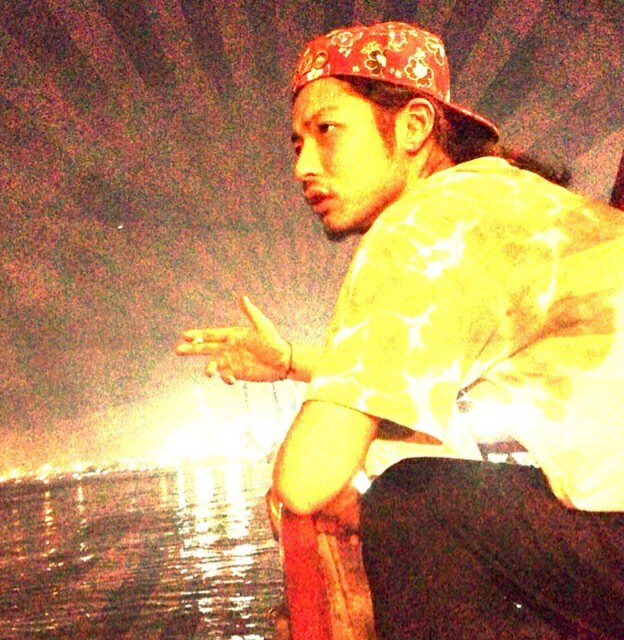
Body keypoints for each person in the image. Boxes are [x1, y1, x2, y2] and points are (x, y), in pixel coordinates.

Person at [176, 21, 624, 639]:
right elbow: (423, 367)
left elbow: (305, 482)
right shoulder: (504, 199)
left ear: (413, 127)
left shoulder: (421, 228)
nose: (303, 166)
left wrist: (326, 482)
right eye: (296, 143)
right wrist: (291, 362)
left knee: (411, 504)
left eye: (327, 130)